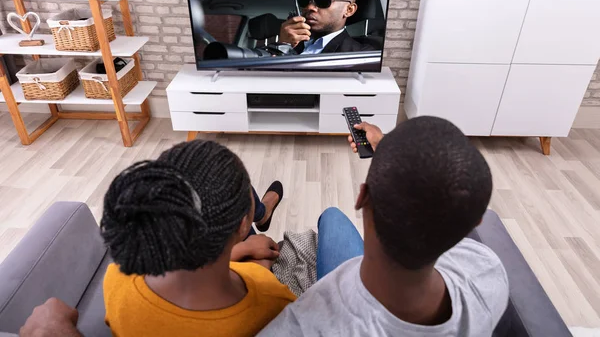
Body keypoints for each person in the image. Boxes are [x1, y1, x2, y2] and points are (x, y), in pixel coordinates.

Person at [259, 116, 509, 336]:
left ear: (362, 198)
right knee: (332, 218)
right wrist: (386, 151)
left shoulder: (301, 325)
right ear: (474, 224)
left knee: (331, 217)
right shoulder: (486, 271)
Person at [101, 140, 295, 337]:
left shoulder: (118, 277)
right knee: (234, 184)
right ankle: (261, 212)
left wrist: (244, 249)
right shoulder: (273, 304)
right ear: (243, 224)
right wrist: (260, 259)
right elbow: (254, 285)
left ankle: (260, 211)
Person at [279, 0, 375, 54]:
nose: (309, 7)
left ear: (349, 10)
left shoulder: (358, 54)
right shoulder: (293, 42)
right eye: (304, 0)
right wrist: (282, 46)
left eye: (323, 1)